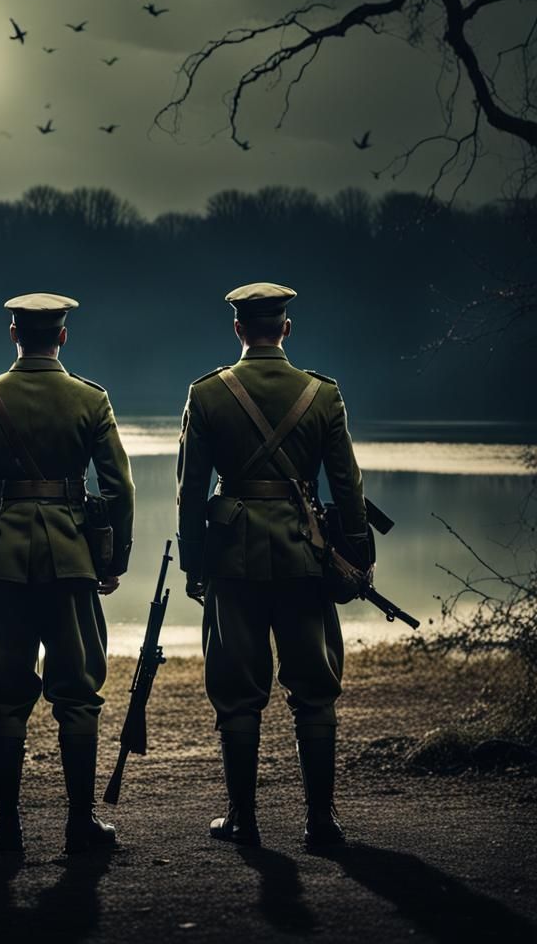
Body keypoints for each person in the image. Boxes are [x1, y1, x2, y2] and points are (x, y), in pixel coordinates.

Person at [176, 282, 368, 848]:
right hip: (305, 555)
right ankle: (320, 821)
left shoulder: (207, 394)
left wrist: (194, 563)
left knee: (238, 691)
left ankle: (244, 820)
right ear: (285, 328)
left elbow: (190, 492)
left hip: (232, 557)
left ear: (238, 329)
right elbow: (348, 488)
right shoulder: (322, 395)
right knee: (314, 687)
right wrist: (353, 558)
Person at [0, 292, 135, 854]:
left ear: (13, 336)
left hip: (2, 562)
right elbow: (119, 488)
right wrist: (112, 561)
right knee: (77, 693)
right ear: (63, 336)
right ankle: (80, 826)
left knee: (2, 696)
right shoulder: (90, 400)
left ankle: (7, 828)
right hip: (72, 559)